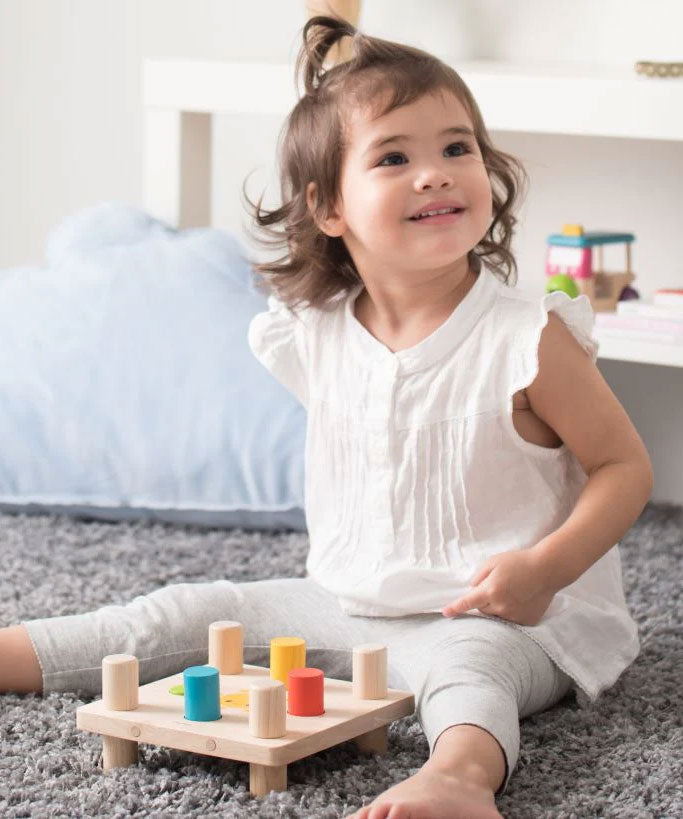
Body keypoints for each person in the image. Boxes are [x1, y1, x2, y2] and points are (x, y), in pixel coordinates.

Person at [1, 16, 653, 819]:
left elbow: (625, 468)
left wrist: (547, 568)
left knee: (469, 676)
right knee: (190, 611)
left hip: (499, 612)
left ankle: (457, 778)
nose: (435, 175)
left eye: (457, 149)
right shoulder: (312, 330)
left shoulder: (527, 336)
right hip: (346, 600)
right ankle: (17, 650)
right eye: (393, 157)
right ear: (329, 208)